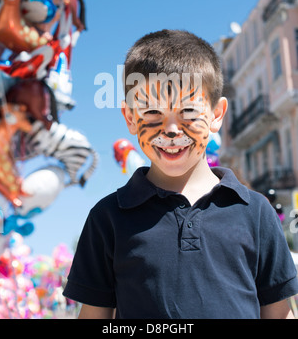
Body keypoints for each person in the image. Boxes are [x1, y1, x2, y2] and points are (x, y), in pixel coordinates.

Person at [63, 29, 298, 319]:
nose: (171, 130)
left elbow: (279, 314)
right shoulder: (107, 218)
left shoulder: (256, 213)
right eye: (152, 113)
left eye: (188, 111)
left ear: (216, 115)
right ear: (129, 118)